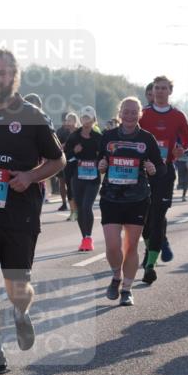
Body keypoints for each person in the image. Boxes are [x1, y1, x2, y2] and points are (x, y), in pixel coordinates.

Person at [0, 49, 65, 375]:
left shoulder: (32, 115)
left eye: (2, 73)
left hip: (20, 212)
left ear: (14, 77)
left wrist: (30, 176)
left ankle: (21, 312)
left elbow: (58, 160)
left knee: (17, 286)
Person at [98, 97, 165, 304]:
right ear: (120, 113)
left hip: (137, 198)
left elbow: (160, 167)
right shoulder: (108, 136)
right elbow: (97, 160)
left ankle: (127, 289)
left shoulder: (147, 139)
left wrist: (153, 169)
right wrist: (100, 165)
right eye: (126, 111)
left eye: (134, 112)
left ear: (139, 114)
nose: (129, 115)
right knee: (112, 246)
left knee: (131, 246)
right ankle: (116, 275)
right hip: (111, 197)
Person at [139, 76, 188, 282]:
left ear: (170, 91)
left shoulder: (178, 116)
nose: (159, 91)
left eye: (164, 88)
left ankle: (150, 264)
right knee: (144, 219)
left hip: (165, 171)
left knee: (158, 218)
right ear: (152, 91)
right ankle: (150, 250)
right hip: (142, 172)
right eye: (156, 88)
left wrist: (180, 149)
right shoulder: (143, 114)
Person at [66, 106, 102, 251]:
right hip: (77, 176)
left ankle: (89, 237)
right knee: (81, 208)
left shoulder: (98, 137)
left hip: (93, 178)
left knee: (87, 206)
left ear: (94, 119)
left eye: (88, 117)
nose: (85, 120)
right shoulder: (74, 136)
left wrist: (99, 159)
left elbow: (105, 155)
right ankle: (84, 238)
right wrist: (74, 151)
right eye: (83, 117)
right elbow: (65, 156)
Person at [59, 112, 81, 222]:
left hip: (80, 165)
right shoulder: (64, 133)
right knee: (69, 187)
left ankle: (79, 210)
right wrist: (64, 147)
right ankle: (73, 212)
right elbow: (64, 151)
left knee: (77, 187)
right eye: (66, 120)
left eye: (70, 120)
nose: (67, 122)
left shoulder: (81, 132)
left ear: (75, 121)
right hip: (68, 164)